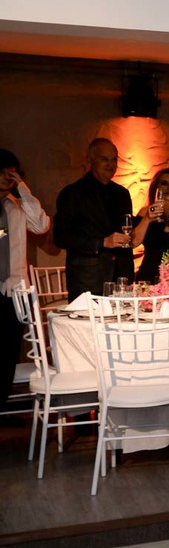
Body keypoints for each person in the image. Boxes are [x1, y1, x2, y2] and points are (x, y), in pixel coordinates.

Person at [53, 138, 134, 300]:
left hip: (121, 279)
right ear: (90, 160)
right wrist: (102, 242)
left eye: (114, 159)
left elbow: (127, 230)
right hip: (87, 281)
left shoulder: (122, 194)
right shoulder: (72, 193)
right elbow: (61, 237)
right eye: (104, 159)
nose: (111, 165)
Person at [0, 149, 49, 407]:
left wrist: (23, 190)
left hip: (13, 291)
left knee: (9, 350)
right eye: (4, 172)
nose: (8, 176)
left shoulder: (17, 207)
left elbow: (41, 226)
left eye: (13, 172)